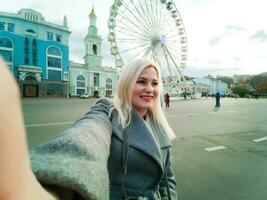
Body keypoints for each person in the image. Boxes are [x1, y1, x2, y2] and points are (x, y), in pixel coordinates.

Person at [0, 57, 177, 200]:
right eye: (141, 81)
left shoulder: (160, 125)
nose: (149, 89)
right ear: (126, 83)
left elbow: (167, 180)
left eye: (154, 83)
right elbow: (88, 135)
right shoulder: (108, 111)